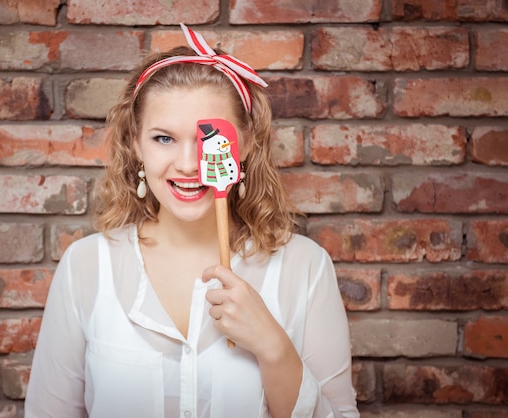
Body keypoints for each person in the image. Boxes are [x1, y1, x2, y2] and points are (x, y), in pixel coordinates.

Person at [25, 23, 359, 418]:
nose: (188, 165)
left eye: (210, 140)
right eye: (163, 138)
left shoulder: (306, 267)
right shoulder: (85, 267)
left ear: (247, 144)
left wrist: (274, 347)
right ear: (135, 144)